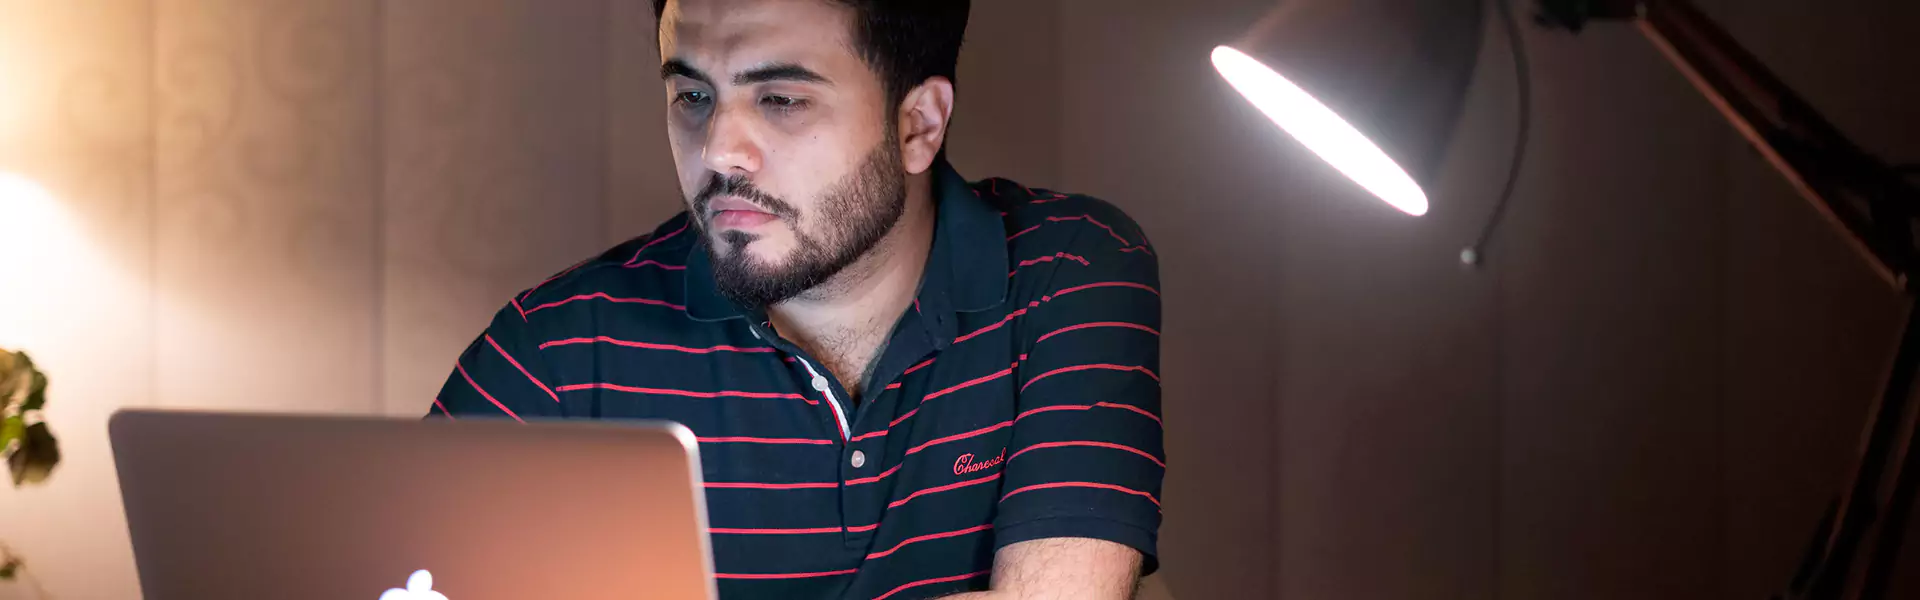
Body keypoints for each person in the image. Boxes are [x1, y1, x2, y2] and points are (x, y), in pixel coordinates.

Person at [430, 0, 1164, 597]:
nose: (719, 150)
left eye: (779, 99)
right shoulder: (556, 350)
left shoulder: (1067, 266)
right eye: (692, 95)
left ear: (918, 124)